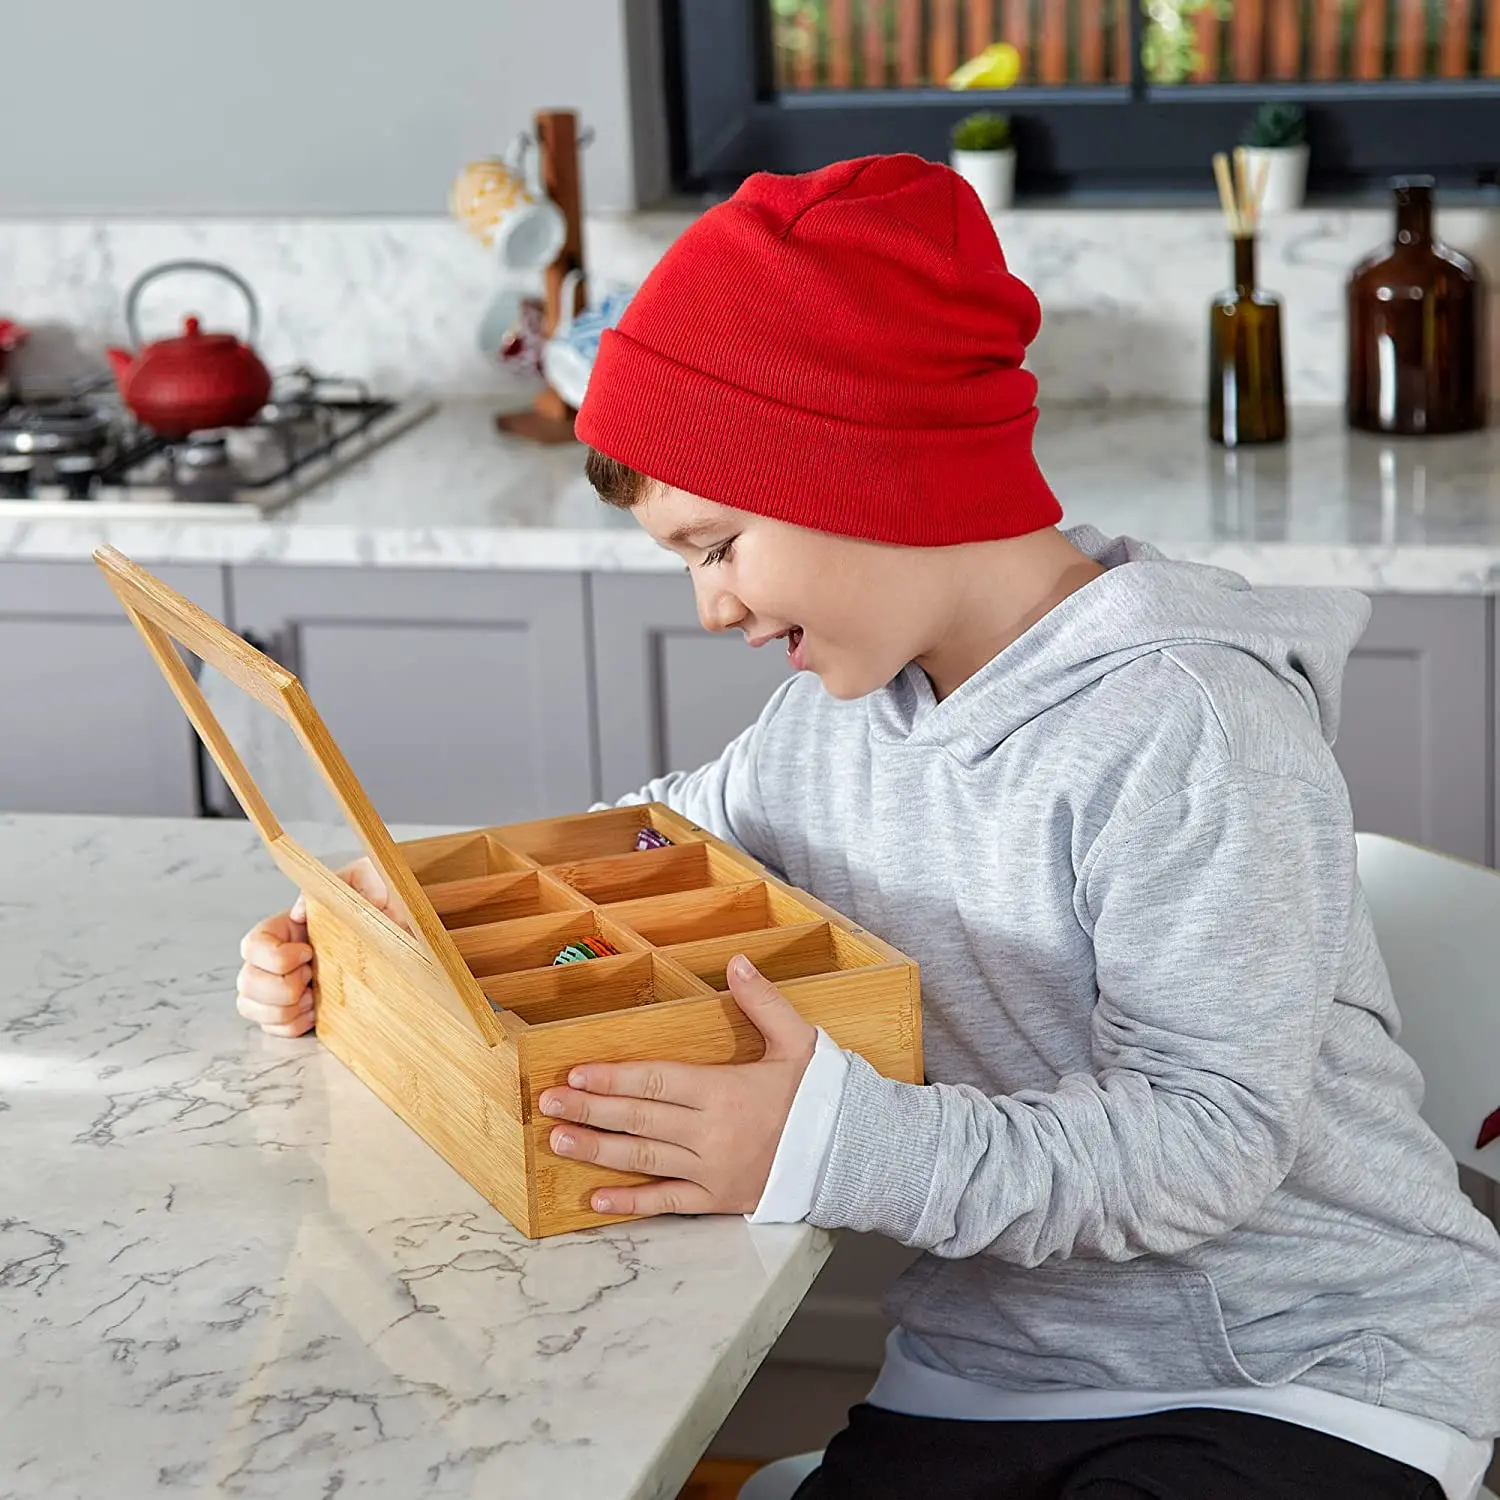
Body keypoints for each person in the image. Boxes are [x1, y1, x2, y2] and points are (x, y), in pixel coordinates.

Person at [234, 154, 1500, 1500]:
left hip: (1307, 1373)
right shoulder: (836, 718)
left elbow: (1204, 1143)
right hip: (990, 1374)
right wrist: (398, 915)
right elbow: (653, 845)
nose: (710, 607)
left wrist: (826, 1145)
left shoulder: (1188, 725)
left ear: (866, 469)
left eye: (717, 547)